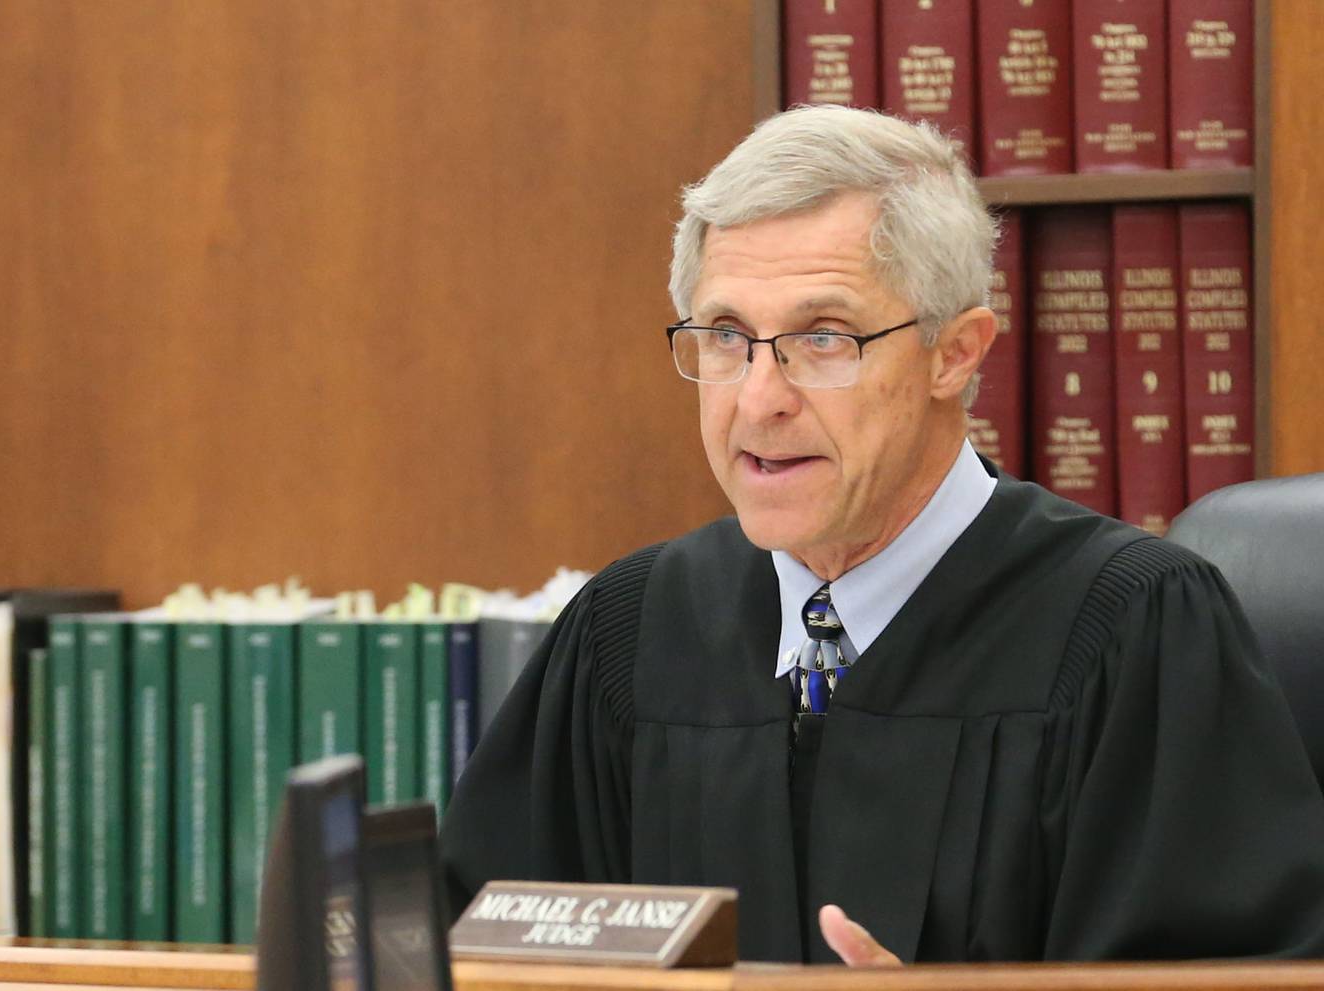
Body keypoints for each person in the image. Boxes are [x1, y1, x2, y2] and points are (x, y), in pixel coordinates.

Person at [439, 105, 1324, 965]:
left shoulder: (1135, 631)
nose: (759, 397)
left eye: (824, 337)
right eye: (726, 335)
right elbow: (472, 954)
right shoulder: (627, 637)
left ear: (956, 353)